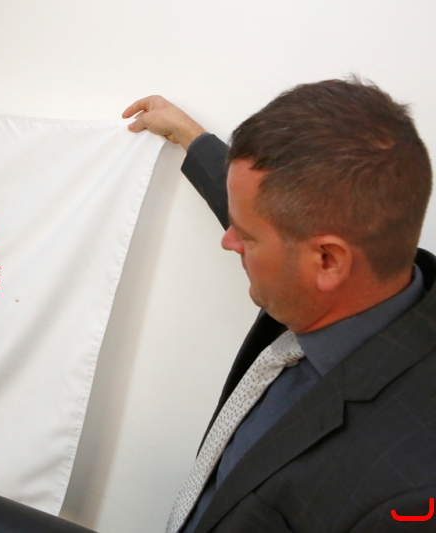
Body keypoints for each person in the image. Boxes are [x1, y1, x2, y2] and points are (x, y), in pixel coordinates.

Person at [123, 80, 436, 532]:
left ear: (327, 261)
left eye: (246, 236)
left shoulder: (407, 487)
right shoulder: (359, 277)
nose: (228, 241)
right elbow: (272, 215)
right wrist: (191, 136)